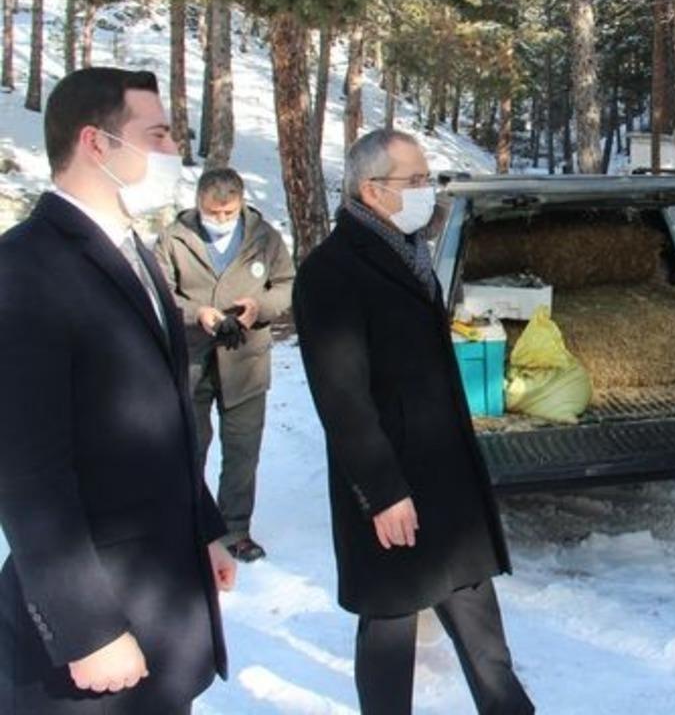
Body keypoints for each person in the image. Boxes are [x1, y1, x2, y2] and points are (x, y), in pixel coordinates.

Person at [0, 67, 234, 714]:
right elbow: (27, 475)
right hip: (95, 639)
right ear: (96, 143)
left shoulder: (135, 252)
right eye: (156, 135)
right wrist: (86, 627)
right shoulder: (25, 268)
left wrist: (204, 526)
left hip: (162, 604)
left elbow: (162, 415)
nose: (172, 154)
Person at [292, 129, 533, 715]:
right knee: (391, 625)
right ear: (372, 191)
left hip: (446, 476)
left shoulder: (410, 251)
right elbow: (342, 399)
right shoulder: (331, 271)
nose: (428, 192)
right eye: (416, 181)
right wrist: (382, 492)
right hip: (393, 486)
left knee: (480, 624)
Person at [155, 167, 295, 563]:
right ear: (198, 203)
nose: (219, 220)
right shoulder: (174, 238)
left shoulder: (264, 238)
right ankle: (188, 526)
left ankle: (235, 529)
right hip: (192, 358)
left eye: (227, 213)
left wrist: (259, 308)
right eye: (211, 213)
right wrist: (196, 311)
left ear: (240, 202)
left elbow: (286, 284)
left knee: (243, 450)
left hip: (245, 359)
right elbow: (158, 291)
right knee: (188, 448)